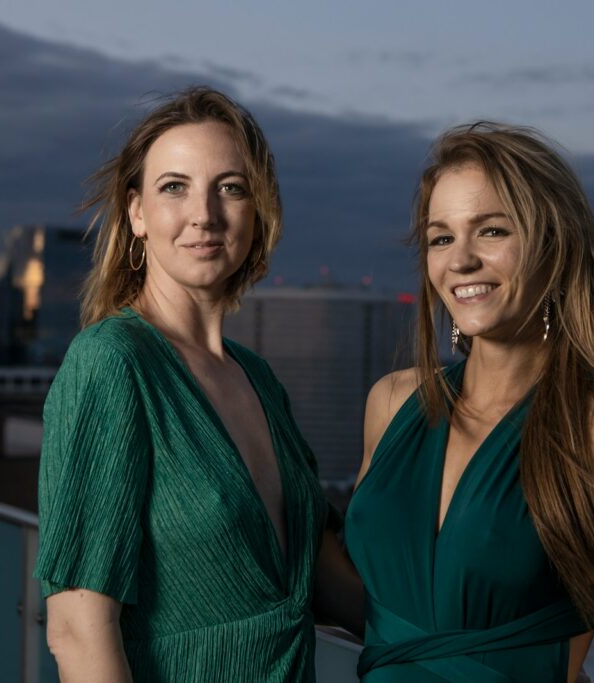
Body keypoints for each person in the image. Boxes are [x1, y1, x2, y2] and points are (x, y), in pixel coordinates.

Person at [345, 122, 594, 682]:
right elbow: (360, 596)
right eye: (441, 237)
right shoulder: (393, 403)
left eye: (492, 231)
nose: (460, 261)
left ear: (554, 245)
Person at [34, 87, 354, 682]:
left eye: (230, 188)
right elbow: (78, 630)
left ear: (257, 210)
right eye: (174, 187)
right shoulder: (111, 363)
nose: (204, 214)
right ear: (135, 214)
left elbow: (321, 578)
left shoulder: (256, 378)